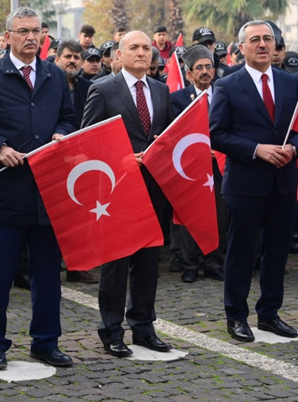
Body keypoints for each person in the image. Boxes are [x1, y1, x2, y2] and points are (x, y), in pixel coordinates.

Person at [0, 7, 75, 370]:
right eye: (23, 31)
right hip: (5, 192)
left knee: (48, 275)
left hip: (48, 192)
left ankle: (46, 341)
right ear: (7, 36)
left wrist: (62, 132)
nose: (31, 37)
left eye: (36, 31)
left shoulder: (55, 75)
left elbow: (68, 117)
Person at [209, 20, 298, 343]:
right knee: (241, 253)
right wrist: (256, 149)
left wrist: (294, 147)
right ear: (242, 47)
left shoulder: (291, 83)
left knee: (277, 253)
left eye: (268, 39)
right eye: (255, 40)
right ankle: (236, 316)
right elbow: (216, 135)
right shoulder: (228, 85)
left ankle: (270, 314)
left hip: (283, 182)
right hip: (245, 184)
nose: (263, 45)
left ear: (276, 46)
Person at [82, 30, 174, 357]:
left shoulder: (162, 91)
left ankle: (144, 327)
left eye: (145, 48)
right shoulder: (102, 89)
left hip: (153, 190)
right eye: (133, 47)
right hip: (116, 191)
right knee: (116, 266)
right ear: (118, 55)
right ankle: (111, 331)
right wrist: (119, 158)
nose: (140, 53)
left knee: (149, 265)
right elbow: (88, 143)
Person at [170, 45, 226, 283]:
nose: (205, 72)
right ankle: (190, 264)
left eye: (208, 67)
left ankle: (214, 262)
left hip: (219, 167)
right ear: (189, 74)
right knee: (189, 216)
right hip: (189, 169)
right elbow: (172, 134)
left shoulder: (225, 93)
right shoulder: (177, 99)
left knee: (219, 215)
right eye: (199, 68)